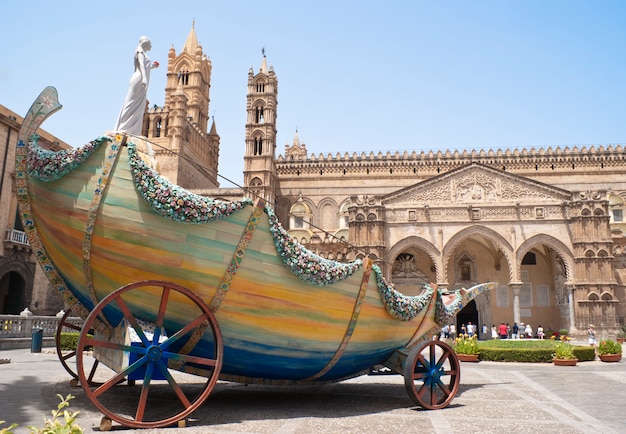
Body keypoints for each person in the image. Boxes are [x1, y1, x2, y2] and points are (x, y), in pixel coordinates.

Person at [114, 36, 160, 136]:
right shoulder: (139, 51)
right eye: (150, 43)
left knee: (139, 106)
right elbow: (141, 65)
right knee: (131, 102)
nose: (151, 46)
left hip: (142, 79)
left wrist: (152, 67)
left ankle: (131, 130)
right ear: (145, 43)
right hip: (138, 79)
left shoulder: (143, 53)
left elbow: (145, 66)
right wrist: (144, 77)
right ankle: (123, 128)